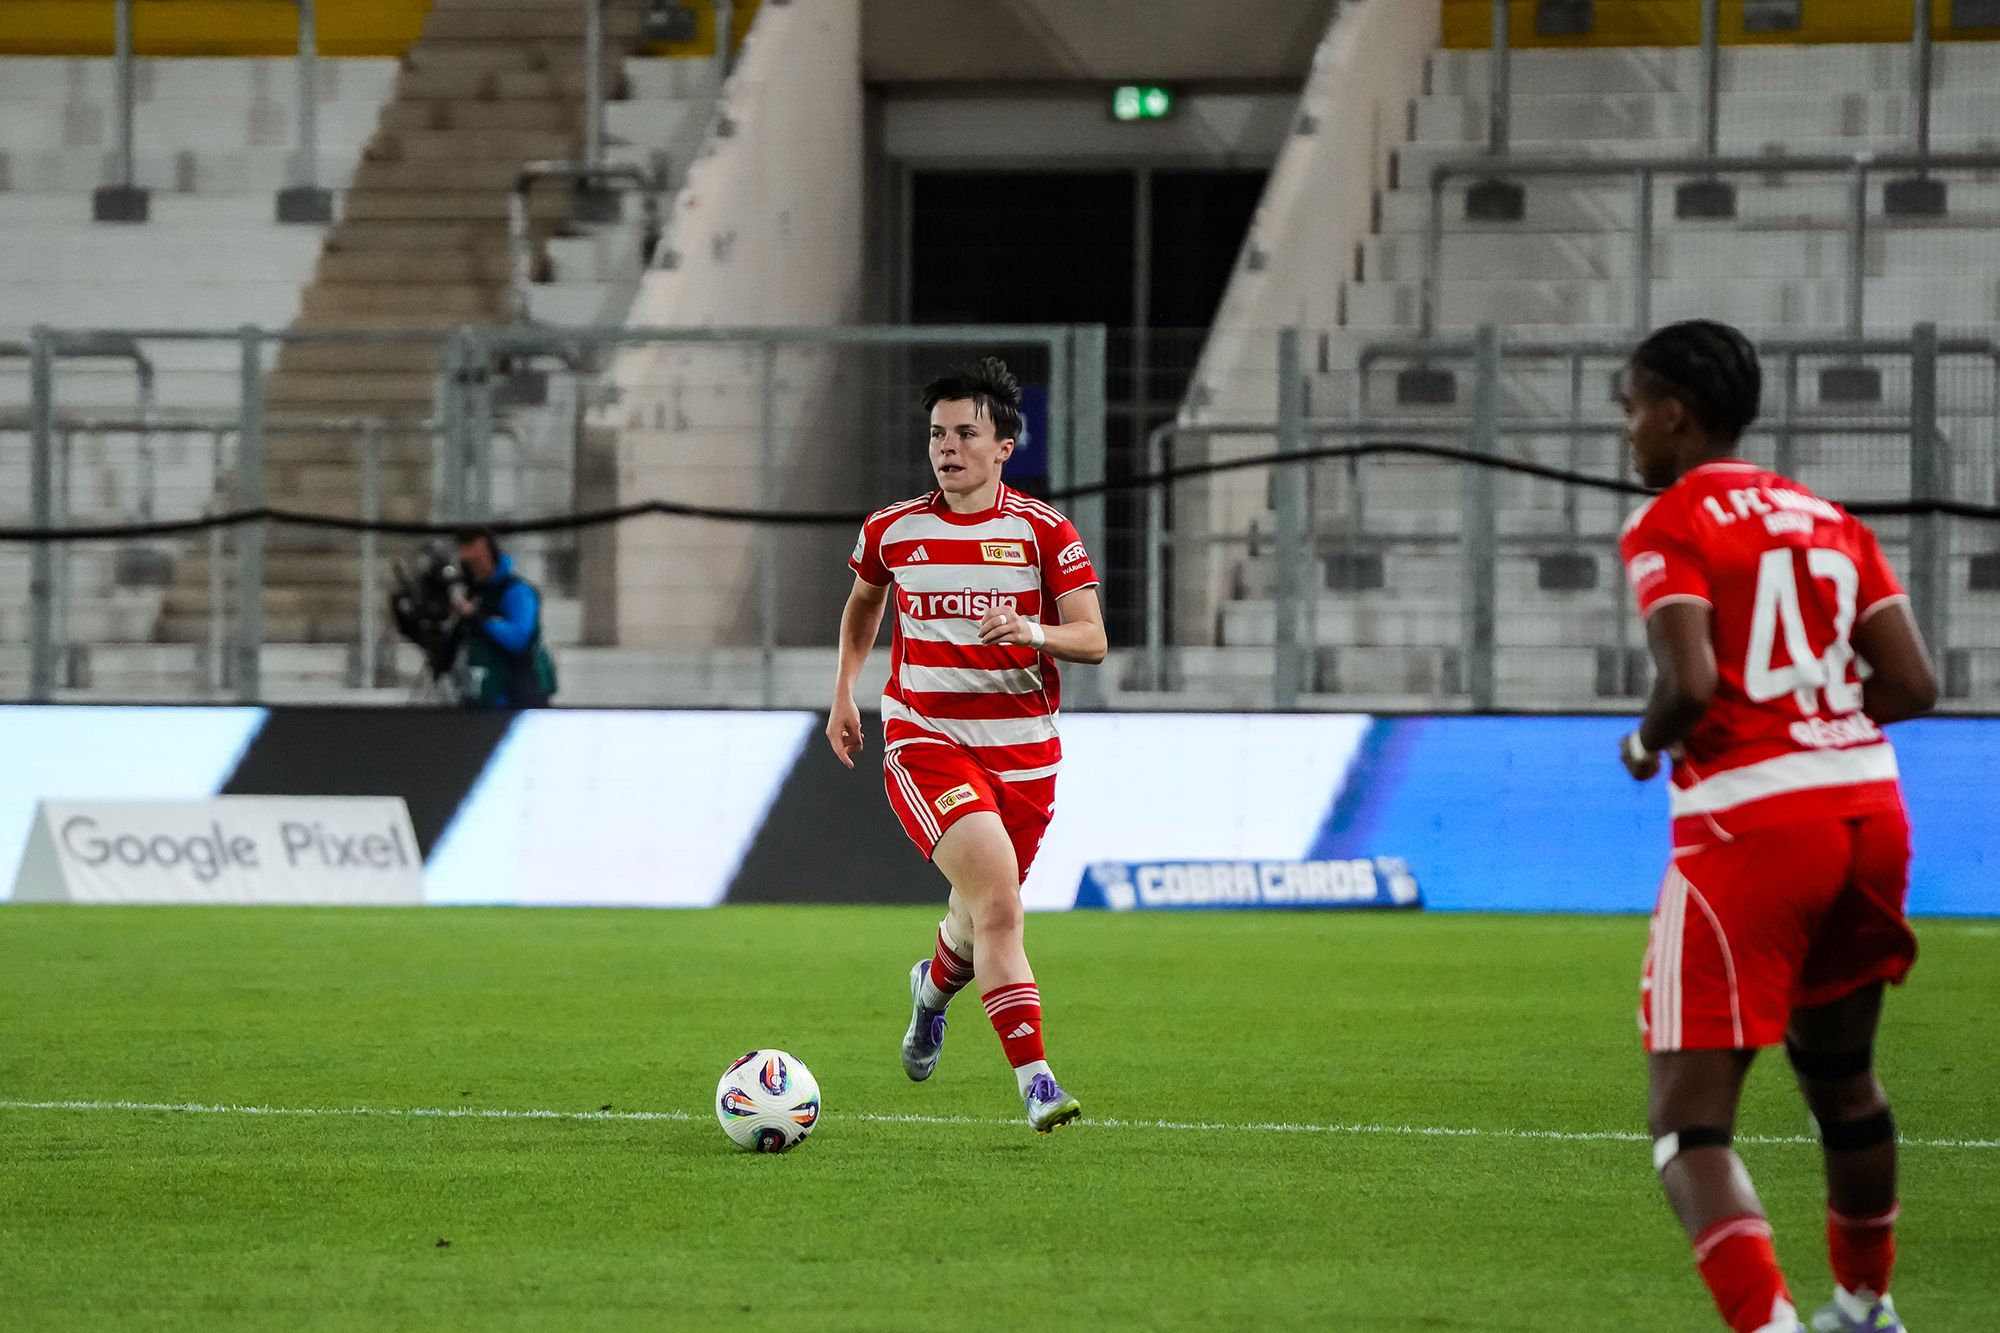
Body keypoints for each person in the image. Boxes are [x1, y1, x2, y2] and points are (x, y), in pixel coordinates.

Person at [1615, 320, 1938, 1333]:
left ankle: (1768, 1325)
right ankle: (1864, 1303)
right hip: (1867, 809)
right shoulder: (1827, 517)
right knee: (1841, 1076)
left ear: (1673, 411)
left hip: (1751, 824)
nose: (1629, 433)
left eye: (1631, 409)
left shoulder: (1669, 522)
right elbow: (1912, 682)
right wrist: (1816, 722)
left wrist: (1639, 745)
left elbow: (1692, 682)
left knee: (1687, 1123)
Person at [825, 357, 1107, 1134]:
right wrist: (846, 686)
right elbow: (862, 604)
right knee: (1003, 908)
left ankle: (931, 991)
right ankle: (1038, 1082)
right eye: (936, 434)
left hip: (1026, 755)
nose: (947, 447)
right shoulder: (893, 529)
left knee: (976, 917)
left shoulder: (1043, 531)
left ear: (1005, 444)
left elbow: (1093, 638)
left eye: (965, 433)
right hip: (927, 741)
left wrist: (1034, 629)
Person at [450, 526, 557, 709]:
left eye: (477, 559)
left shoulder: (516, 591)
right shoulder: (474, 593)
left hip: (516, 694)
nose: (473, 567)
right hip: (480, 693)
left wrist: (479, 617)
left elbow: (519, 638)